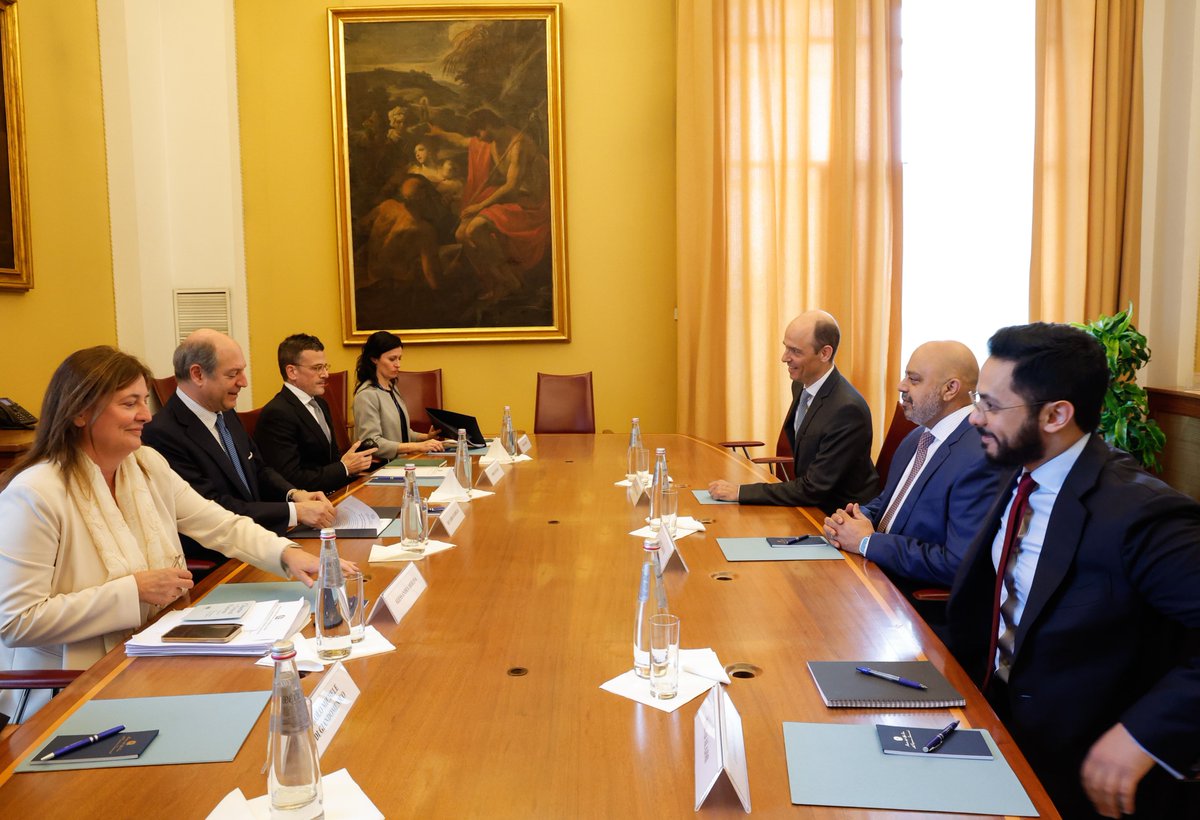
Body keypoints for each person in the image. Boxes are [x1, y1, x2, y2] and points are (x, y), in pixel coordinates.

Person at [946, 323, 1200, 819]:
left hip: (1078, 767)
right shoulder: (1023, 473)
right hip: (987, 720)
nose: (975, 418)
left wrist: (1142, 735)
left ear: (1057, 414)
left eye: (992, 406)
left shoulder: (1141, 513)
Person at [0, 347, 327, 721]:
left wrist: (286, 554)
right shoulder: (34, 494)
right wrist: (133, 591)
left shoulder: (147, 464)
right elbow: (16, 622)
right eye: (129, 403)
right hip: (73, 689)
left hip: (158, 654)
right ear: (80, 411)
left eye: (144, 400)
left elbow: (219, 523)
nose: (145, 415)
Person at [823, 341, 1005, 600]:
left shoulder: (981, 454)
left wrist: (867, 542)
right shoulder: (917, 437)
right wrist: (850, 520)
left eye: (914, 379)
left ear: (950, 389)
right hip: (873, 576)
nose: (901, 386)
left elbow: (958, 564)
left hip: (910, 602)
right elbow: (888, 502)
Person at [142, 329, 334, 565]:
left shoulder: (224, 411)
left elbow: (259, 469)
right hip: (222, 561)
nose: (243, 382)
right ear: (197, 374)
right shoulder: (162, 434)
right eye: (233, 374)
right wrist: (295, 512)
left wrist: (294, 494)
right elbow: (214, 508)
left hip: (263, 542)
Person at [708, 310, 878, 513]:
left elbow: (813, 488)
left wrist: (739, 492)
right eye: (786, 348)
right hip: (807, 503)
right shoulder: (801, 385)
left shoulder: (847, 410)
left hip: (838, 515)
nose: (784, 358)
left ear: (825, 353)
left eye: (795, 351)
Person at [428, 107, 551, 301]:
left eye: (478, 131)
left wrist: (479, 206)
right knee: (461, 233)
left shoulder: (517, 145)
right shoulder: (491, 140)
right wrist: (439, 133)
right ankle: (493, 281)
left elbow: (511, 187)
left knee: (475, 228)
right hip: (515, 197)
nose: (477, 137)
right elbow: (461, 141)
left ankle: (511, 282)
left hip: (532, 203)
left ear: (488, 125)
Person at [255, 334, 375, 494]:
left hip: (335, 493)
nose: (325, 374)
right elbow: (290, 479)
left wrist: (353, 465)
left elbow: (331, 460)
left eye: (326, 367)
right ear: (292, 372)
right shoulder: (277, 413)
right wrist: (344, 468)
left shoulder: (321, 403)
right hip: (307, 507)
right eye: (317, 368)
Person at [352, 331, 445, 460]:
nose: (398, 364)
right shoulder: (366, 396)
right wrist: (417, 447)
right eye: (392, 359)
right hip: (381, 467)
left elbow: (400, 432)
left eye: (399, 358)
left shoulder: (391, 387)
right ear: (374, 359)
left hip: (402, 462)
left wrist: (426, 438)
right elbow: (372, 442)